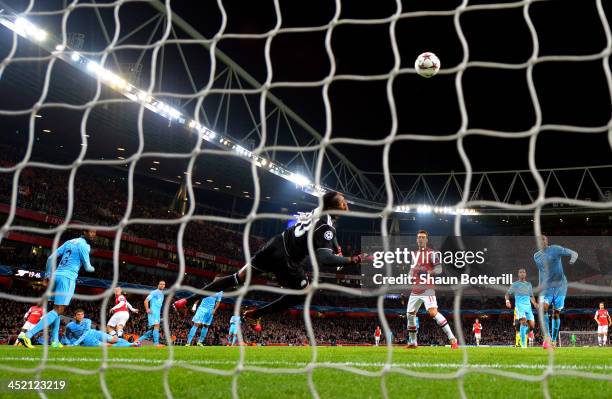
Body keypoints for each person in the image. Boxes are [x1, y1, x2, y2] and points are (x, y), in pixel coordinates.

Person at [173, 192, 367, 330]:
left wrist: (336, 244)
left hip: (275, 244)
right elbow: (325, 259)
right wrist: (354, 259)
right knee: (303, 293)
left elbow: (329, 231)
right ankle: (254, 315)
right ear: (334, 207)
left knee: (236, 278)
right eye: (342, 201)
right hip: (288, 260)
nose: (345, 203)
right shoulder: (326, 226)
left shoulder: (320, 212)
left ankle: (185, 301)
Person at [18, 230, 96, 348]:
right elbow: (88, 267)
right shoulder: (85, 246)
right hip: (67, 278)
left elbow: (50, 258)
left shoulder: (69, 242)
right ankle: (27, 335)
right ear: (84, 232)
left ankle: (54, 341)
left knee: (57, 310)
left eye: (95, 233)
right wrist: (93, 268)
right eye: (91, 232)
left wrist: (47, 275)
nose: (93, 235)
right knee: (59, 310)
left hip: (56, 276)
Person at [406, 230, 458, 349]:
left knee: (433, 312)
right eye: (419, 237)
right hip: (415, 289)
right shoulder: (414, 254)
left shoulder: (432, 253)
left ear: (427, 240)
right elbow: (412, 269)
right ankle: (413, 343)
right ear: (416, 239)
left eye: (423, 237)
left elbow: (439, 269)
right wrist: (410, 276)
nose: (421, 239)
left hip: (427, 288)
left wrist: (429, 271)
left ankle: (452, 338)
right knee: (410, 315)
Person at [534, 235, 578, 349]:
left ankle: (553, 340)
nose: (541, 241)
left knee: (556, 313)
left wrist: (573, 258)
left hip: (560, 285)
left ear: (547, 241)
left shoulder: (555, 249)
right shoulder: (536, 256)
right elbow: (541, 272)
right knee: (543, 308)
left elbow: (573, 253)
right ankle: (547, 338)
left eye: (543, 239)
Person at [505, 268, 537, 348]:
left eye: (523, 272)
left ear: (525, 274)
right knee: (523, 322)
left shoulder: (529, 284)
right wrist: (507, 301)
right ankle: (523, 345)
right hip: (519, 306)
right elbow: (507, 294)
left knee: (532, 326)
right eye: (520, 272)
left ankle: (523, 334)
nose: (522, 273)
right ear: (518, 274)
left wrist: (535, 303)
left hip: (528, 307)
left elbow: (531, 296)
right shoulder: (515, 284)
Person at [137, 280, 165, 347]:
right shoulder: (154, 292)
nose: (162, 285)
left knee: (153, 329)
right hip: (153, 312)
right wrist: (147, 309)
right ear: (158, 285)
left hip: (157, 313)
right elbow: (146, 301)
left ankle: (138, 341)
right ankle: (156, 343)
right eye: (161, 284)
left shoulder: (162, 294)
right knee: (156, 326)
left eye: (163, 284)